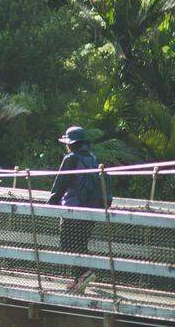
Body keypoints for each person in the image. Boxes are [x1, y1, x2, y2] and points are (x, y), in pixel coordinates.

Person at [48, 125, 111, 293]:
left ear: (70, 143)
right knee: (80, 243)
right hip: (91, 210)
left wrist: (49, 205)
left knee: (67, 244)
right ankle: (79, 281)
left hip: (73, 210)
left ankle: (85, 273)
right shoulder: (93, 158)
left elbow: (60, 184)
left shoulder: (71, 158)